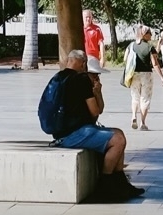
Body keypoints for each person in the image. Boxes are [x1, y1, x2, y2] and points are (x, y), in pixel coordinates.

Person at [41, 49, 134, 188]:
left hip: (63, 133)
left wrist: (97, 92)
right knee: (118, 140)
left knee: (118, 133)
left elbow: (98, 110)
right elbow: (95, 111)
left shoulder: (58, 77)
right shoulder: (81, 79)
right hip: (73, 134)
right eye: (95, 75)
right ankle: (106, 183)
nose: (97, 79)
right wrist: (95, 93)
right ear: (83, 65)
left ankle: (120, 182)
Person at [125, 25, 163, 130]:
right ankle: (143, 123)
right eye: (150, 33)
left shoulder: (131, 45)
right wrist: (162, 77)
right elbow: (155, 64)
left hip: (134, 74)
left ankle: (134, 116)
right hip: (146, 75)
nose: (151, 35)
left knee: (135, 97)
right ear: (144, 34)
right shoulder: (149, 47)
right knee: (145, 99)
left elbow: (125, 58)